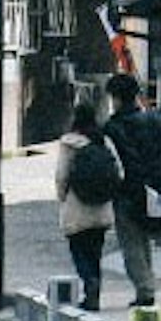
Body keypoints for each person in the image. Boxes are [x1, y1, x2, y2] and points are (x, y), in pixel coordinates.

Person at [100, 72, 161, 307]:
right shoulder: (155, 120)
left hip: (128, 191)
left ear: (115, 98)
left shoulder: (113, 127)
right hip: (156, 186)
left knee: (132, 242)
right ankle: (148, 284)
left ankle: (145, 289)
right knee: (145, 238)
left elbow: (113, 162)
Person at [54, 99, 120, 309]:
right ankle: (95, 294)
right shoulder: (103, 141)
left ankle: (88, 283)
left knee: (79, 250)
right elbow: (119, 172)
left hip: (77, 206)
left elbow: (61, 175)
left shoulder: (69, 143)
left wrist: (62, 196)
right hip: (101, 207)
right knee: (95, 252)